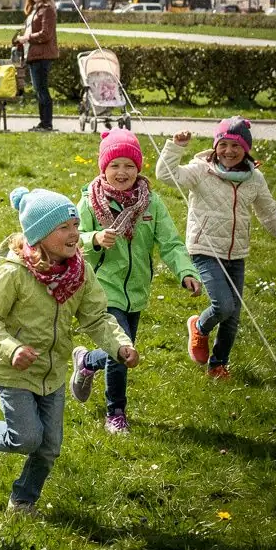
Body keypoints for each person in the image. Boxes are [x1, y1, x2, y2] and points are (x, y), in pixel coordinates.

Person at [0, 186, 138, 516]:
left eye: (75, 225)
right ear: (40, 234)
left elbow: (96, 316)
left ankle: (23, 500)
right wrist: (12, 348)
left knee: (49, 447)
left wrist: (120, 345)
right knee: (26, 437)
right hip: (14, 371)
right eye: (65, 227)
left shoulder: (78, 271)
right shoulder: (13, 273)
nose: (75, 234)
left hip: (54, 370)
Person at [70, 130, 201, 432]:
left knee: (124, 352)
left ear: (138, 168)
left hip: (137, 291)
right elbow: (72, 240)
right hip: (103, 289)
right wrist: (96, 239)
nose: (122, 172)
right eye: (115, 165)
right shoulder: (90, 203)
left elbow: (170, 242)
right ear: (103, 168)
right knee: (122, 348)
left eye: (129, 165)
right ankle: (115, 413)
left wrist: (186, 272)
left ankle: (87, 361)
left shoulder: (151, 204)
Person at [156, 118, 276, 379]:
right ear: (215, 146)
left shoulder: (254, 179)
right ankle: (200, 326)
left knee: (233, 316)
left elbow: (269, 212)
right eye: (223, 144)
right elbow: (167, 175)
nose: (229, 151)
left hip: (236, 253)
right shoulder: (201, 170)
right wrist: (176, 146)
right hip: (205, 248)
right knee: (223, 306)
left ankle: (218, 365)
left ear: (246, 149)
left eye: (236, 146)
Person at [14, 0, 58, 132]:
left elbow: (46, 34)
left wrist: (27, 38)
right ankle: (43, 122)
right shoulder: (34, 10)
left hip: (42, 55)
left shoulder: (47, 10)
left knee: (42, 89)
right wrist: (20, 39)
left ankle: (47, 123)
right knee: (38, 90)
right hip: (32, 54)